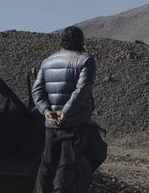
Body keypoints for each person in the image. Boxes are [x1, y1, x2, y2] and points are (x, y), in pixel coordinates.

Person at [31, 26, 98, 193]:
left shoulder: (48, 62)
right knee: (66, 166)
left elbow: (37, 90)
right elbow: (82, 90)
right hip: (75, 124)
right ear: (81, 41)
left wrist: (46, 111)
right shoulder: (85, 61)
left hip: (50, 123)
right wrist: (65, 113)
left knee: (46, 165)